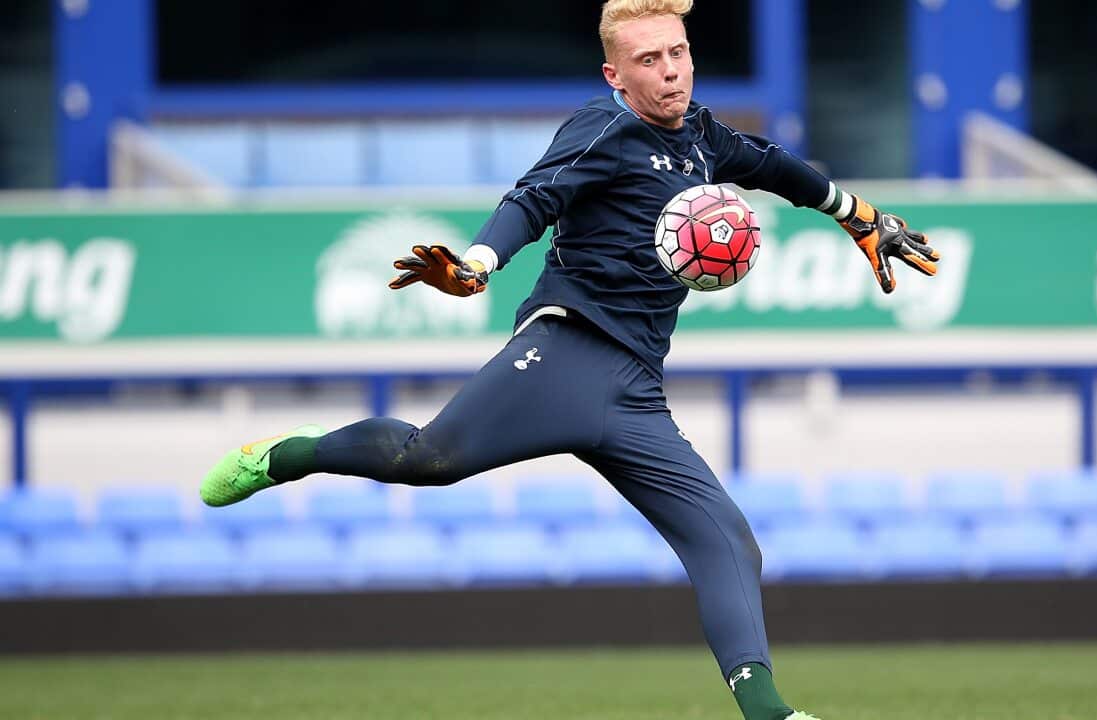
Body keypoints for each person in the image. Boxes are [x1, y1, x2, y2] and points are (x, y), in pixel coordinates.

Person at [200, 1, 940, 718]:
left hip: (635, 393)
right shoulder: (604, 126)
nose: (671, 72)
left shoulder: (704, 137)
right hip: (565, 352)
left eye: (678, 52)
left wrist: (859, 216)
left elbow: (776, 167)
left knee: (727, 543)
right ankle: (284, 455)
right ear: (616, 75)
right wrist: (479, 263)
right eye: (649, 60)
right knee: (427, 460)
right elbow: (533, 199)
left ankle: (770, 714)